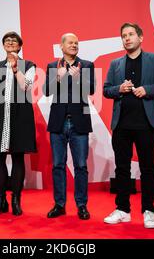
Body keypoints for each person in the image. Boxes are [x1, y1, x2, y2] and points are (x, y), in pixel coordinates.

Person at [103, 23, 154, 228]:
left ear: (140, 37)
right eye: (124, 35)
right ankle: (122, 209)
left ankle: (148, 211)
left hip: (145, 123)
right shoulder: (115, 63)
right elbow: (107, 90)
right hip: (121, 124)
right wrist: (119, 88)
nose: (127, 38)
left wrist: (147, 90)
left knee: (147, 168)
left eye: (131, 34)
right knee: (122, 168)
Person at [43, 33, 96, 220]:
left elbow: (91, 90)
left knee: (81, 165)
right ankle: (59, 204)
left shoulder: (87, 65)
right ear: (61, 46)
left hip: (79, 121)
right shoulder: (52, 66)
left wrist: (79, 78)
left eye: (76, 43)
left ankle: (81, 205)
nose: (74, 45)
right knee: (58, 165)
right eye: (70, 42)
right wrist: (57, 78)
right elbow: (46, 91)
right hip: (58, 121)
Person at [0, 31, 37, 216]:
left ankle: (15, 200)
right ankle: (0, 201)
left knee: (17, 157)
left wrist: (15, 69)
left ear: (20, 46)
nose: (10, 42)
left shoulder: (28, 65)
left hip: (19, 115)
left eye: (14, 40)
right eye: (7, 40)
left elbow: (26, 86)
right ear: (3, 45)